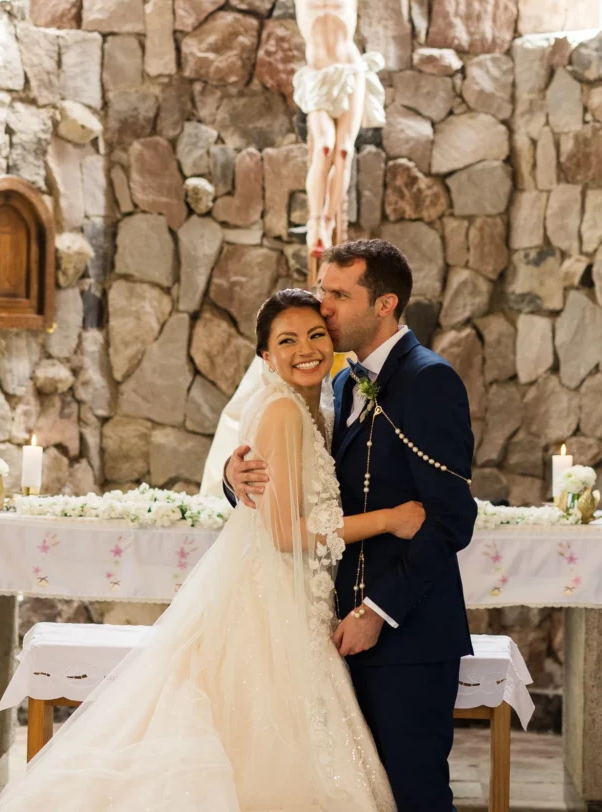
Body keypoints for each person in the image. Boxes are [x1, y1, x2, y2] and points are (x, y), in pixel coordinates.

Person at [0, 288, 438, 812]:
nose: (307, 349)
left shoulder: (321, 399)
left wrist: (236, 472)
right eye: (288, 341)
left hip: (297, 594)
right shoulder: (284, 412)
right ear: (265, 357)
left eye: (316, 334)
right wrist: (390, 518)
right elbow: (285, 532)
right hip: (272, 601)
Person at [225, 239, 478, 811]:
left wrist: (377, 610)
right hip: (331, 631)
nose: (324, 305)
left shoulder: (430, 380)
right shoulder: (339, 382)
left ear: (385, 304)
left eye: (339, 294)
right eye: (322, 290)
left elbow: (451, 518)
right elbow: (300, 481)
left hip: (404, 633)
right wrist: (232, 474)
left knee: (414, 794)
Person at [189, 0, 462, 257]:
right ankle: (316, 219)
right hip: (318, 77)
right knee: (323, 148)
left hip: (350, 73)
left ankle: (330, 222)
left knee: (344, 152)